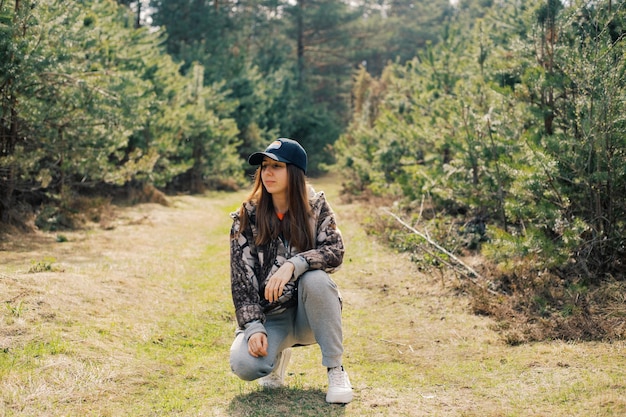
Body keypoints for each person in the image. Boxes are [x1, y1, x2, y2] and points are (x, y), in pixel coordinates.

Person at [228, 138, 353, 404]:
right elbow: (241, 281)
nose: (267, 173)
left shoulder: (316, 207)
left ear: (294, 172)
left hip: (310, 315)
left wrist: (294, 265)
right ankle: (276, 354)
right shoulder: (247, 216)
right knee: (244, 365)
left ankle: (335, 370)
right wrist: (253, 327)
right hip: (271, 316)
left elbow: (335, 251)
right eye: (264, 166)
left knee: (315, 279)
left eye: (276, 166)